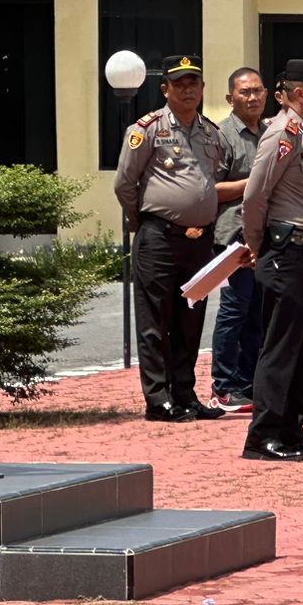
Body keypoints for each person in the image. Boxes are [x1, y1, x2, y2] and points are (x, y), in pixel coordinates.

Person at [115, 54, 239, 422]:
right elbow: (125, 184)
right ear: (165, 88)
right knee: (155, 321)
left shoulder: (211, 133)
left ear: (202, 88)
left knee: (191, 317)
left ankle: (185, 394)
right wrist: (146, 223)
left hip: (198, 240)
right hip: (159, 237)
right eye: (180, 83)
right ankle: (158, 399)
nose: (188, 89)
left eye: (194, 83)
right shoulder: (148, 128)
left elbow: (211, 183)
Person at [241, 60, 303, 461]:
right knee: (282, 347)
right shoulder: (282, 133)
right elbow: (255, 196)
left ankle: (292, 428)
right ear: (301, 94)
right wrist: (258, 245)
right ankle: (264, 434)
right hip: (287, 252)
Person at [208, 67, 267, 412]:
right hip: (233, 236)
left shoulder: (270, 131)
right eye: (245, 92)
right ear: (231, 98)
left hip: (263, 236)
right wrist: (257, 182)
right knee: (234, 311)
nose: (253, 97)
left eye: (258, 91)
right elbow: (211, 189)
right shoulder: (222, 136)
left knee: (257, 313)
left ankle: (248, 382)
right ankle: (224, 386)